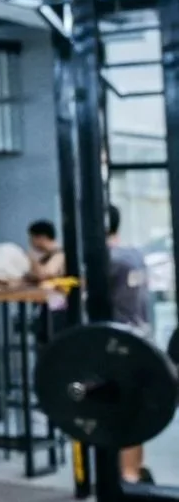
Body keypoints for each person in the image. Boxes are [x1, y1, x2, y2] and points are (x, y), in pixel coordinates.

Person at [108, 204, 156, 484]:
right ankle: (133, 470)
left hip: (118, 341)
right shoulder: (134, 253)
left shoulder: (108, 258)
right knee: (132, 407)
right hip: (139, 336)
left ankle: (126, 475)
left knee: (120, 410)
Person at [27, 219, 65, 283]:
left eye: (32, 238)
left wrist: (30, 258)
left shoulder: (59, 254)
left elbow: (45, 274)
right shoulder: (47, 256)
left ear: (42, 237)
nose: (30, 241)